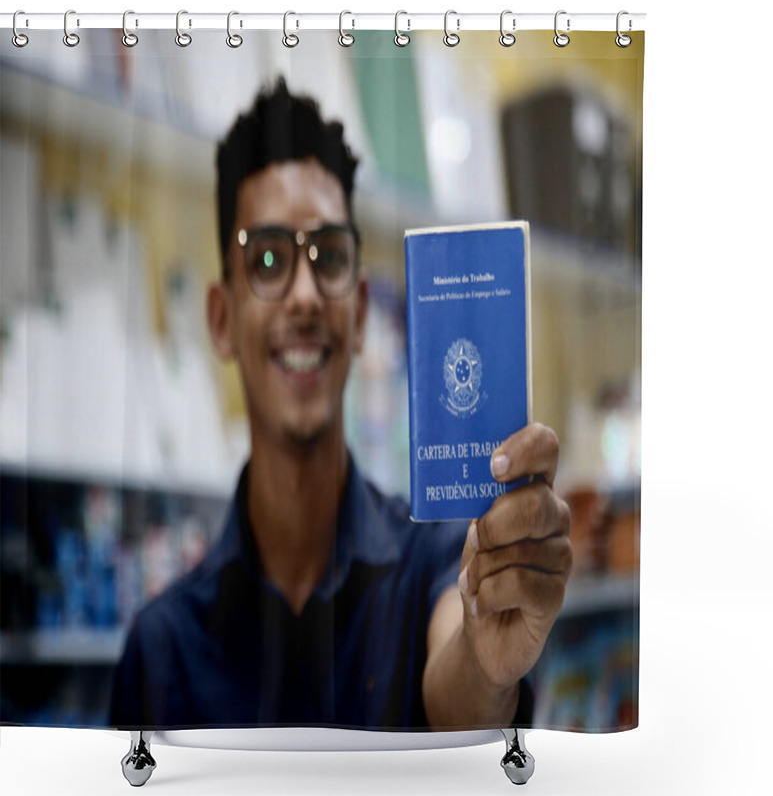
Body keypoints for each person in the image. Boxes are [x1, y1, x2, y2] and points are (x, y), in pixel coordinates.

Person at [109, 78, 572, 731]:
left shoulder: (441, 560)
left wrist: (486, 660)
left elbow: (457, 671)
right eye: (267, 258)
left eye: (326, 256)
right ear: (220, 318)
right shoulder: (160, 653)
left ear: (359, 316)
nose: (303, 295)